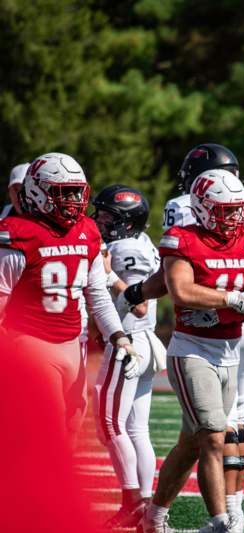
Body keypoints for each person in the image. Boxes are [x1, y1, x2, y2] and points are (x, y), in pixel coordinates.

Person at [125, 143, 244, 529]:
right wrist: (233, 298)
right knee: (214, 438)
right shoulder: (182, 238)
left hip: (230, 350)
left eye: (237, 210)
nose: (233, 218)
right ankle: (221, 521)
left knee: (190, 443)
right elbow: (180, 289)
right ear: (200, 207)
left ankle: (154, 516)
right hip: (193, 349)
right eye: (224, 211)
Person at [0, 153, 141, 447]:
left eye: (77, 192)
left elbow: (98, 293)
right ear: (37, 191)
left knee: (72, 424)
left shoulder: (86, 231)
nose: (74, 200)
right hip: (30, 342)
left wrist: (120, 337)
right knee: (47, 427)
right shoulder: (17, 235)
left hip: (72, 344)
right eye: (64, 192)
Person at [91, 184, 164, 528]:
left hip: (129, 343)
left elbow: (140, 304)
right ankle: (144, 504)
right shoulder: (141, 243)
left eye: (107, 216)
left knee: (109, 423)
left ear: (127, 221)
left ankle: (132, 500)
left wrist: (109, 276)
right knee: (136, 429)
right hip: (146, 342)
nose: (99, 220)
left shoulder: (123, 249)